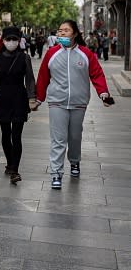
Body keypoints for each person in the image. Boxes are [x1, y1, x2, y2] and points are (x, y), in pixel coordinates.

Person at [35, 19, 112, 190]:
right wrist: (38, 98)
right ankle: (56, 173)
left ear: (75, 33)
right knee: (58, 139)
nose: (61, 33)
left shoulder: (86, 54)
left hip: (79, 102)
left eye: (66, 30)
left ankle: (75, 162)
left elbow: (97, 74)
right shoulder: (51, 53)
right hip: (57, 102)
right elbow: (43, 77)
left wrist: (104, 94)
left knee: (75, 137)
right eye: (60, 31)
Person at [0, 26, 36, 185]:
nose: (11, 42)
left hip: (19, 97)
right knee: (6, 134)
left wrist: (31, 97)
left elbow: (30, 78)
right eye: (8, 39)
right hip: (3, 98)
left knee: (16, 135)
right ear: (3, 40)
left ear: (19, 40)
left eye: (14, 39)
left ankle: (15, 169)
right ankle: (9, 162)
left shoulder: (24, 58)